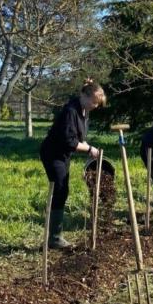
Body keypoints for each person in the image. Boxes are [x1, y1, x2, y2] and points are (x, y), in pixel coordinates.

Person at [40, 80, 106, 249]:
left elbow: (80, 137)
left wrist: (88, 149)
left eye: (97, 104)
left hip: (63, 155)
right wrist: (90, 149)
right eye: (94, 102)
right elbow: (70, 141)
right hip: (53, 154)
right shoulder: (70, 111)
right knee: (60, 189)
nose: (95, 106)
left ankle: (55, 237)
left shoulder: (83, 110)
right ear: (84, 96)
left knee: (63, 190)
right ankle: (54, 238)